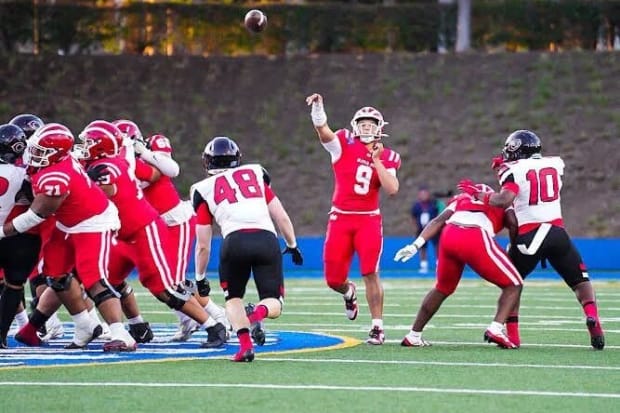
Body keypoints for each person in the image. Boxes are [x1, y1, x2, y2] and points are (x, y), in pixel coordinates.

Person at [459, 129, 605, 350]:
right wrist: (506, 168)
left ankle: (513, 336)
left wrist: (479, 194)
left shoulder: (512, 169)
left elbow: (504, 199)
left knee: (512, 284)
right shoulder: (555, 164)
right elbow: (532, 174)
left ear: (517, 149)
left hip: (529, 233)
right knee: (580, 281)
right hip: (557, 232)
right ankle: (592, 316)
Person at [6, 123, 136, 352]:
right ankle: (85, 325)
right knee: (56, 275)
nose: (34, 155)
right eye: (34, 149)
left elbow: (35, 215)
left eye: (41, 152)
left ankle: (121, 334)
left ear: (55, 155)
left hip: (93, 223)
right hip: (68, 223)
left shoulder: (55, 176)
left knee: (93, 279)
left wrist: (1, 231)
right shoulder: (59, 159)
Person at [190, 136, 303, 362]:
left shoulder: (202, 188)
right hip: (266, 239)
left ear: (207, 162)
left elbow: (203, 244)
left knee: (233, 299)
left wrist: (200, 277)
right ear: (237, 158)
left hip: (234, 243)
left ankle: (244, 348)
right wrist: (292, 245)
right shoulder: (256, 173)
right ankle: (257, 313)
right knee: (274, 302)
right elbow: (280, 215)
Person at [305, 93, 400, 345]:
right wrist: (318, 109)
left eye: (371, 124)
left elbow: (392, 189)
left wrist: (377, 160)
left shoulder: (388, 155)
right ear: (355, 126)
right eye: (363, 123)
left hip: (368, 220)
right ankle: (348, 291)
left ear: (380, 129)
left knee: (371, 272)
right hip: (340, 219)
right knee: (333, 279)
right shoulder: (343, 143)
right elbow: (323, 131)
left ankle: (377, 327)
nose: (366, 128)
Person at [394, 184, 523, 348]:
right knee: (514, 284)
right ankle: (496, 329)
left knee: (442, 288)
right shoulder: (501, 200)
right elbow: (513, 223)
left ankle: (413, 335)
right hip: (474, 235)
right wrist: (514, 245)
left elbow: (438, 221)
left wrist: (415, 245)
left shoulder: (461, 198)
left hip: (449, 234)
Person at [0, 124, 42, 348]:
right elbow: (37, 199)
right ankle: (1, 335)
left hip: (11, 233)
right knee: (14, 285)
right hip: (16, 236)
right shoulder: (24, 174)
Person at [409, 185, 445, 273]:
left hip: (434, 229)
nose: (423, 196)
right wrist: (416, 226)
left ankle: (439, 264)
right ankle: (423, 265)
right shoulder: (416, 206)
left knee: (437, 246)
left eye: (425, 194)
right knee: (421, 247)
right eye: (422, 194)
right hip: (421, 228)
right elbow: (413, 217)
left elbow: (440, 214)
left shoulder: (434, 203)